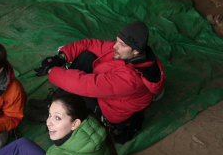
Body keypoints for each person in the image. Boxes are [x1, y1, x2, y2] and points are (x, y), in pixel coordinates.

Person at [33, 21, 165, 143]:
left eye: (122, 45)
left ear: (136, 51)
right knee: (86, 56)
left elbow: (85, 84)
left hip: (109, 110)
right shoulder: (132, 53)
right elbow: (91, 45)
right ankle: (54, 101)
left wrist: (52, 71)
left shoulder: (132, 79)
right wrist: (61, 57)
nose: (115, 46)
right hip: (110, 92)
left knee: (77, 90)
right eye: (117, 41)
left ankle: (55, 111)